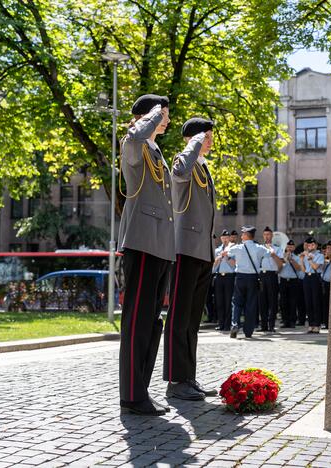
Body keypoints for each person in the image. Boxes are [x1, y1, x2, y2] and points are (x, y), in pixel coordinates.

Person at [117, 94, 174, 416]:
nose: (165, 120)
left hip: (159, 244)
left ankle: (141, 390)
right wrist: (152, 113)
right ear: (146, 115)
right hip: (141, 242)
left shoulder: (154, 150)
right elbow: (137, 133)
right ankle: (131, 395)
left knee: (151, 323)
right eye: (161, 114)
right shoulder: (133, 143)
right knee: (137, 322)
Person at [164, 117, 217, 401]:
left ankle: (188, 377)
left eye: (208, 138)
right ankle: (174, 379)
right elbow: (180, 171)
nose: (209, 142)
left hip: (202, 249)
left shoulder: (203, 166)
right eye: (206, 137)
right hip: (185, 247)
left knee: (193, 319)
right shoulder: (183, 162)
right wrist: (194, 142)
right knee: (178, 317)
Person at [227, 225, 277, 338]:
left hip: (240, 277)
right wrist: (270, 247)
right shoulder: (259, 248)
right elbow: (271, 253)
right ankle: (248, 331)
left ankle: (234, 324)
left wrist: (229, 246)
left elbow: (226, 253)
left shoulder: (238, 248)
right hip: (253, 278)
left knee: (237, 302)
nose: (241, 236)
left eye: (242, 234)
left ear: (245, 235)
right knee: (251, 304)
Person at [258, 227, 283, 332]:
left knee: (272, 301)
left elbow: (281, 264)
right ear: (263, 236)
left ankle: (271, 325)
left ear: (272, 236)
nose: (267, 236)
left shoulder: (277, 248)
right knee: (262, 301)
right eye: (265, 234)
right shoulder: (259, 248)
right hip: (261, 276)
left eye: (269, 234)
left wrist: (273, 254)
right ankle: (263, 325)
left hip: (272, 275)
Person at [299, 237, 325, 333]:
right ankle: (311, 324)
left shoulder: (319, 255)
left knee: (316, 301)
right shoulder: (305, 255)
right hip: (307, 277)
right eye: (309, 245)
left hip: (315, 278)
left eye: (313, 245)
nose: (311, 246)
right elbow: (303, 270)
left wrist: (309, 258)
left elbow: (315, 266)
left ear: (316, 245)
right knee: (308, 301)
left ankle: (317, 325)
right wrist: (301, 260)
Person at [213, 229, 236, 331]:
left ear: (229, 238)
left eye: (226, 238)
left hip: (229, 277)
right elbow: (213, 268)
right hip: (219, 277)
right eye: (223, 238)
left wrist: (226, 256)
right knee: (219, 301)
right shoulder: (217, 250)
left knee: (228, 300)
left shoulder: (233, 249)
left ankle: (227, 324)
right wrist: (218, 258)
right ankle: (221, 323)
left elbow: (235, 264)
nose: (225, 240)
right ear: (221, 239)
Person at [279, 240, 302, 328]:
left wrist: (291, 259)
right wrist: (285, 259)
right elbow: (279, 268)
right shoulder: (282, 257)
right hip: (283, 280)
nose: (290, 248)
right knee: (283, 302)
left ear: (294, 248)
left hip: (293, 281)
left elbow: (298, 268)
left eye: (291, 247)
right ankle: (285, 321)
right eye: (288, 246)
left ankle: (292, 321)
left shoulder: (297, 257)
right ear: (286, 247)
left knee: (293, 302)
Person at [321, 241, 331, 329]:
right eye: (327, 248)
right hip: (325, 283)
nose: (327, 250)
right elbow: (322, 270)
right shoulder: (326, 260)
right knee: (325, 304)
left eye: (329, 248)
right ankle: (326, 323)